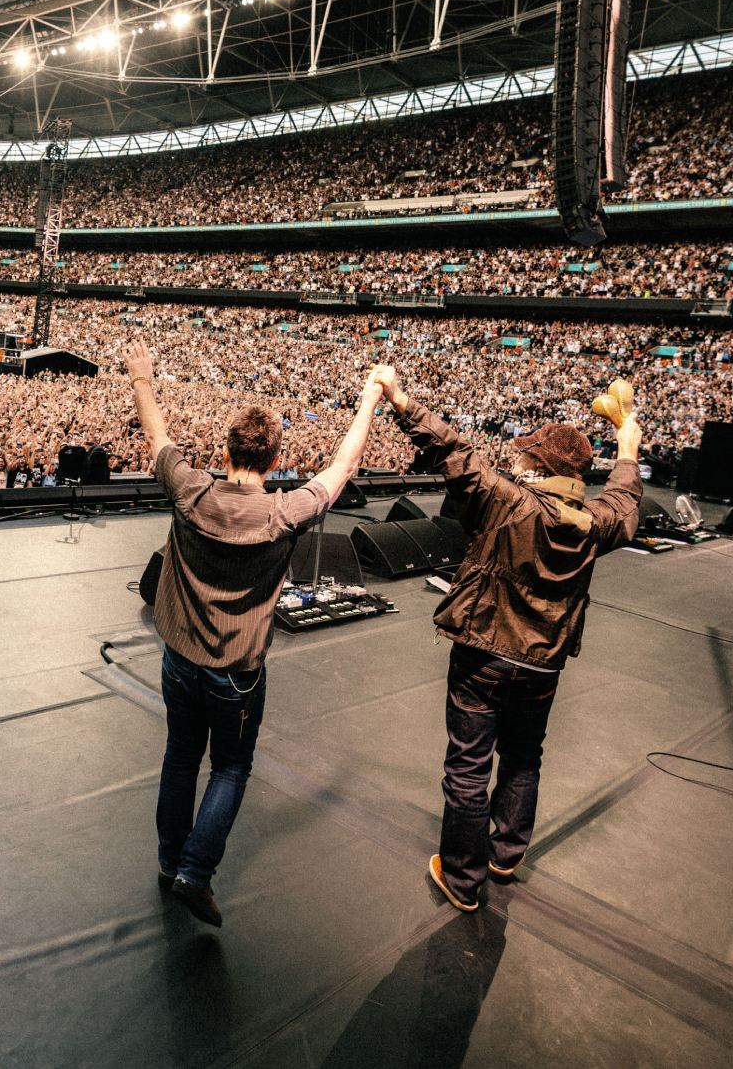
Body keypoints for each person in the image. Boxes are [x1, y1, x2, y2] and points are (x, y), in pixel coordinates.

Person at [127, 341, 387, 927]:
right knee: (230, 768)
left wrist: (143, 378)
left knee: (178, 755)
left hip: (178, 660)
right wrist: (370, 397)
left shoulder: (190, 490)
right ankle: (195, 872)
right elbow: (342, 469)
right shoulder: (283, 512)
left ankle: (171, 863)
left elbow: (158, 437)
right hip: (237, 674)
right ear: (274, 461)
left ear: (223, 451)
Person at [377, 370, 643, 913]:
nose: (516, 461)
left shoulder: (507, 502)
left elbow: (451, 451)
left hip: (483, 655)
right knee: (524, 755)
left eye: (526, 456)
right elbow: (625, 496)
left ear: (539, 467)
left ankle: (463, 877)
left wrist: (402, 399)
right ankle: (506, 852)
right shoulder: (598, 522)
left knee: (469, 765)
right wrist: (628, 436)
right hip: (544, 665)